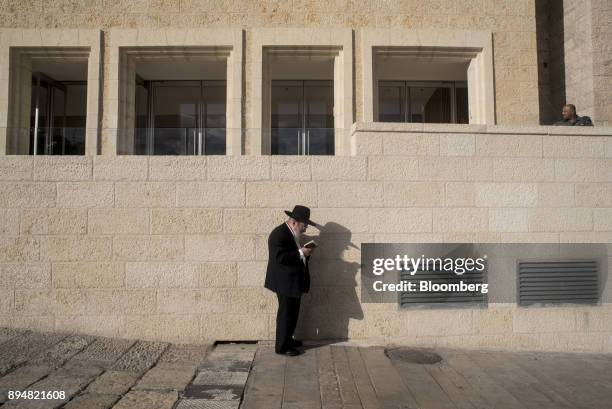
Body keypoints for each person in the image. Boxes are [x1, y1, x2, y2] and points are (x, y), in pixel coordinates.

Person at [264, 205, 316, 356]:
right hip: (284, 282)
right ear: (294, 222)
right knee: (286, 314)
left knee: (293, 312)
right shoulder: (279, 234)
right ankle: (282, 347)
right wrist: (301, 252)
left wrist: (305, 253)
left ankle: (288, 340)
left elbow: (293, 254)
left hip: (292, 282)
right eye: (305, 225)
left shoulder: (291, 232)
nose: (306, 228)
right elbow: (280, 258)